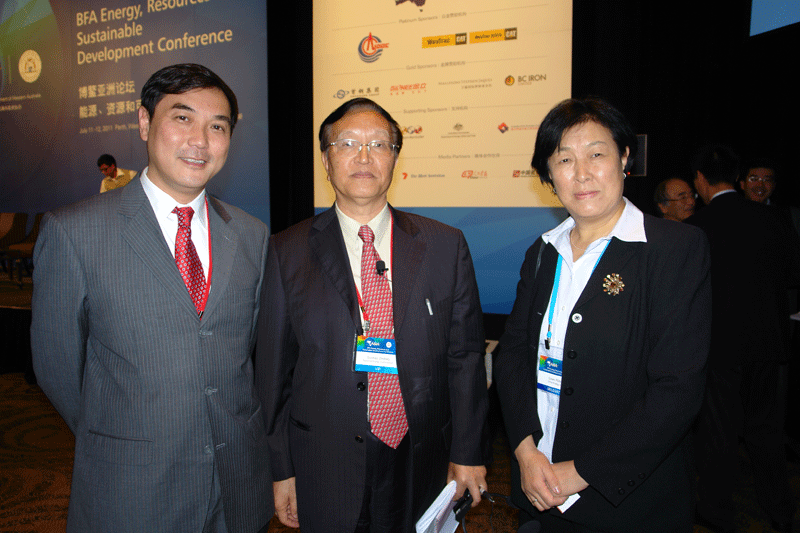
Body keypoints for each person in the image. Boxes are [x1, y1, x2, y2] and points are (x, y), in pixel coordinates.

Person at [31, 64, 272, 533]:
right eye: (182, 118)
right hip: (134, 490)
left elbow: (247, 358)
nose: (200, 140)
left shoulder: (251, 235)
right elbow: (58, 370)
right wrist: (122, 436)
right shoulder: (75, 232)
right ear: (144, 122)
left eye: (217, 126)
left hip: (238, 487)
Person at [255, 97, 489, 532]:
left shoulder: (445, 245)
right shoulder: (286, 251)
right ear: (325, 160)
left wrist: (468, 452)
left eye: (379, 144)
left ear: (395, 158)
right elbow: (273, 374)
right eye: (347, 143)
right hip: (324, 462)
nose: (364, 157)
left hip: (422, 456)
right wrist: (281, 469)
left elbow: (465, 360)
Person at [493, 97, 711, 533]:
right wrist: (525, 452)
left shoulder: (673, 249)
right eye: (564, 160)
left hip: (626, 502)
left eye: (596, 154)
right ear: (548, 175)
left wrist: (580, 471)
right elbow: (512, 354)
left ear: (624, 158)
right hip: (538, 484)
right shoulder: (542, 252)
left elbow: (677, 389)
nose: (582, 173)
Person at [687, 144, 800, 533]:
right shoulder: (774, 219)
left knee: (719, 434)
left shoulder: (697, 227)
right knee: (766, 431)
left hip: (719, 348)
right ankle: (780, 511)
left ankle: (717, 513)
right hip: (767, 345)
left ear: (700, 180)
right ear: (737, 178)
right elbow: (793, 274)